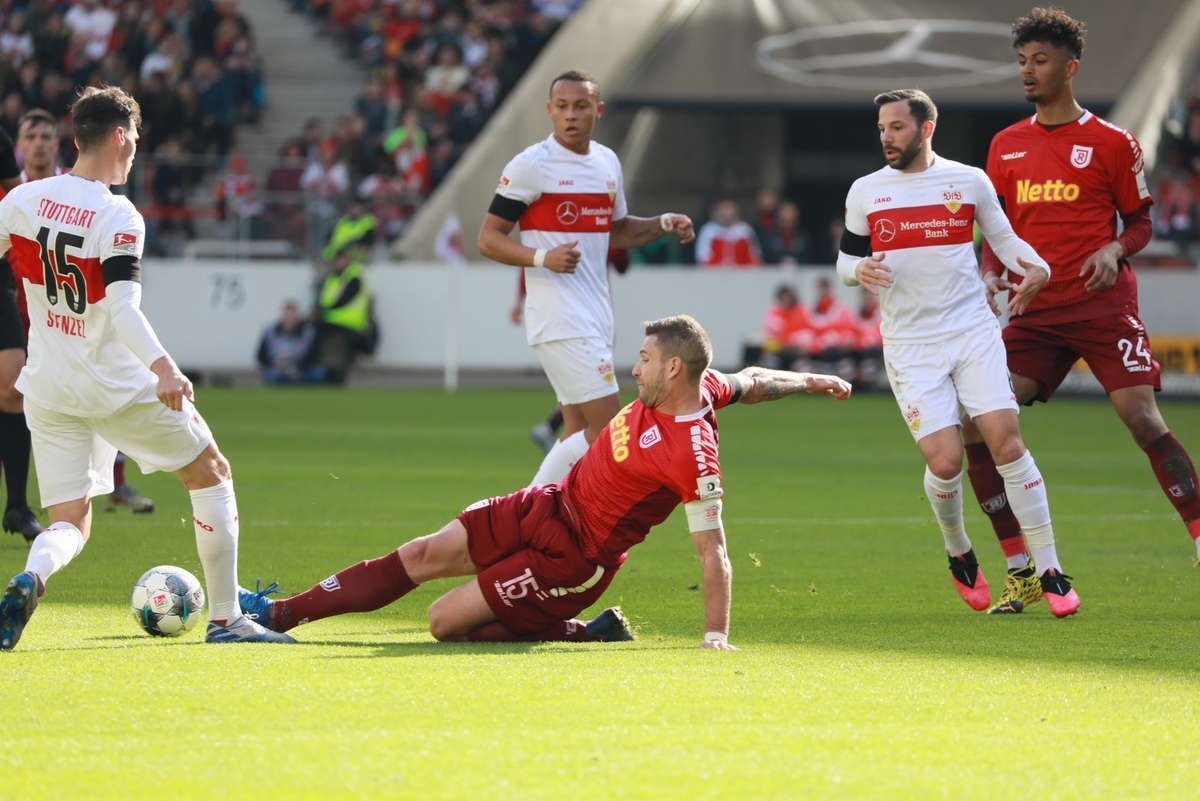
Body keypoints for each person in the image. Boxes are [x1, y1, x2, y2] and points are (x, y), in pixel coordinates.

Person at [237, 315, 852, 647]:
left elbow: (712, 549)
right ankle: (279, 614)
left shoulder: (693, 449)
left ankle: (578, 627)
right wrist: (812, 381)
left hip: (575, 559)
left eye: (642, 358)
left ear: (671, 367)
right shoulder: (705, 383)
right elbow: (752, 379)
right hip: (549, 505)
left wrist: (715, 636)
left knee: (443, 623)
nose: (632, 367)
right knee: (423, 552)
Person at [0, 86, 294, 649]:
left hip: (48, 385)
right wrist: (163, 366)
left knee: (69, 520)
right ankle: (227, 618)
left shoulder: (26, 199)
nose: (135, 148)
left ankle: (32, 576)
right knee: (211, 472)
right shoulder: (117, 213)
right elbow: (121, 303)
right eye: (134, 138)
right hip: (113, 385)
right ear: (118, 136)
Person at [961, 8, 1200, 614]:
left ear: (1070, 68)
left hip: (1102, 307)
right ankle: (1020, 566)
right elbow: (996, 227)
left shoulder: (1114, 143)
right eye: (1021, 61)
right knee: (976, 425)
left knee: (1142, 420)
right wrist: (993, 272)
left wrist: (1115, 246)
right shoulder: (1006, 145)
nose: (1028, 72)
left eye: (1039, 61)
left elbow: (1141, 221)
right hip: (1035, 311)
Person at [837, 88, 1080, 617]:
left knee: (1008, 444)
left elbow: (1006, 238)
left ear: (926, 129)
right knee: (945, 463)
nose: (886, 136)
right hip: (910, 344)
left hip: (972, 331)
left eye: (897, 127)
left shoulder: (968, 180)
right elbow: (844, 260)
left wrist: (1036, 267)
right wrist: (859, 270)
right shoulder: (865, 191)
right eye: (881, 127)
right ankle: (959, 549)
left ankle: (1051, 569)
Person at [477, 69, 694, 486]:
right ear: (549, 111)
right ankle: (526, 513)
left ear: (598, 109)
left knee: (578, 430)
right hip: (559, 315)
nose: (571, 115)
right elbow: (489, 239)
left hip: (596, 315)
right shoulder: (531, 166)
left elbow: (616, 230)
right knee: (611, 428)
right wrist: (543, 257)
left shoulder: (607, 162)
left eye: (580, 106)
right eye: (562, 107)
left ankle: (546, 522)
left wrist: (664, 222)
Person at [315, 244, 375, 385]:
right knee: (332, 358)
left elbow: (343, 300)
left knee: (336, 359)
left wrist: (324, 312)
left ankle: (335, 382)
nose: (337, 262)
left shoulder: (353, 277)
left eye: (341, 259)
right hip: (332, 324)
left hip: (346, 325)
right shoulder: (334, 278)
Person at [257, 301, 323, 384]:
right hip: (278, 370)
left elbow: (315, 355)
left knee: (318, 373)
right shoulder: (271, 332)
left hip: (301, 368)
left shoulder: (307, 333)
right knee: (270, 375)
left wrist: (298, 366)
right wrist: (274, 364)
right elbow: (260, 356)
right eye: (287, 317)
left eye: (292, 317)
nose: (290, 321)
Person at [696, 199, 762, 266]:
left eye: (729, 210)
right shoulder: (708, 230)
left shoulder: (745, 230)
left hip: (742, 272)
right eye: (723, 212)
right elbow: (703, 256)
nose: (726, 214)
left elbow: (755, 256)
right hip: (716, 273)